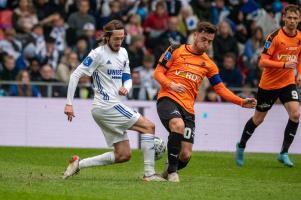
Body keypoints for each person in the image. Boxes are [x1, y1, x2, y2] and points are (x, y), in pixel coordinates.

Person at [63, 20, 165, 182]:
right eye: (116, 38)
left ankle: (78, 164)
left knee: (123, 154)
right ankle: (149, 174)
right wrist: (69, 103)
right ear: (108, 37)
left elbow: (127, 77)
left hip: (109, 107)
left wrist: (126, 87)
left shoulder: (124, 53)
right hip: (106, 105)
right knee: (149, 127)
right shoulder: (98, 53)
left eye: (122, 38)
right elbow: (75, 75)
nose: (119, 42)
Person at [154, 21, 257, 182]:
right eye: (203, 39)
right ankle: (173, 173)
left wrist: (241, 102)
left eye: (210, 41)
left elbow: (220, 89)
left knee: (186, 155)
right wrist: (170, 84)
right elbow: (158, 72)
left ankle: (164, 174)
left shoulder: (209, 64)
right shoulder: (175, 50)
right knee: (178, 125)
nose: (206, 44)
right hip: (168, 98)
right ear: (195, 35)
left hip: (188, 109)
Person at [236, 4, 301, 168]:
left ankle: (284, 153)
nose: (292, 21)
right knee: (258, 119)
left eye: (295, 18)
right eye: (289, 18)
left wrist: (299, 73)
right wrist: (284, 65)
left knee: (295, 114)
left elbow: (299, 57)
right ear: (284, 18)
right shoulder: (274, 37)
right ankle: (241, 145)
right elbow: (262, 62)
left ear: (299, 19)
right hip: (269, 85)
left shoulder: (300, 37)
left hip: (287, 83)